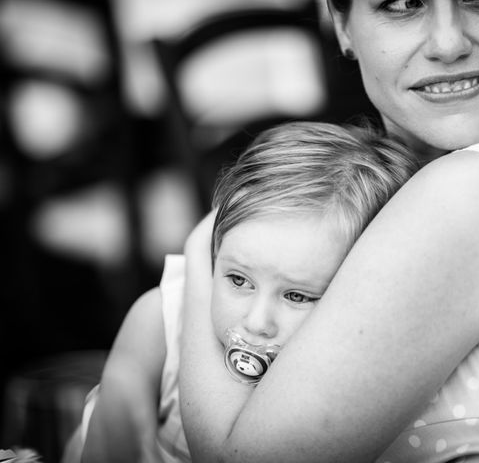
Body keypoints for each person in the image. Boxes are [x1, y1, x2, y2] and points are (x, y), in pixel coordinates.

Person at [178, 0, 479, 462]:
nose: (448, 43)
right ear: (342, 24)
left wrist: (200, 249)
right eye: (403, 2)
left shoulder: (473, 194)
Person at [74, 121, 419, 463]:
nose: (256, 323)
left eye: (297, 296)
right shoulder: (159, 324)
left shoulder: (367, 378)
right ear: (213, 252)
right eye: (238, 280)